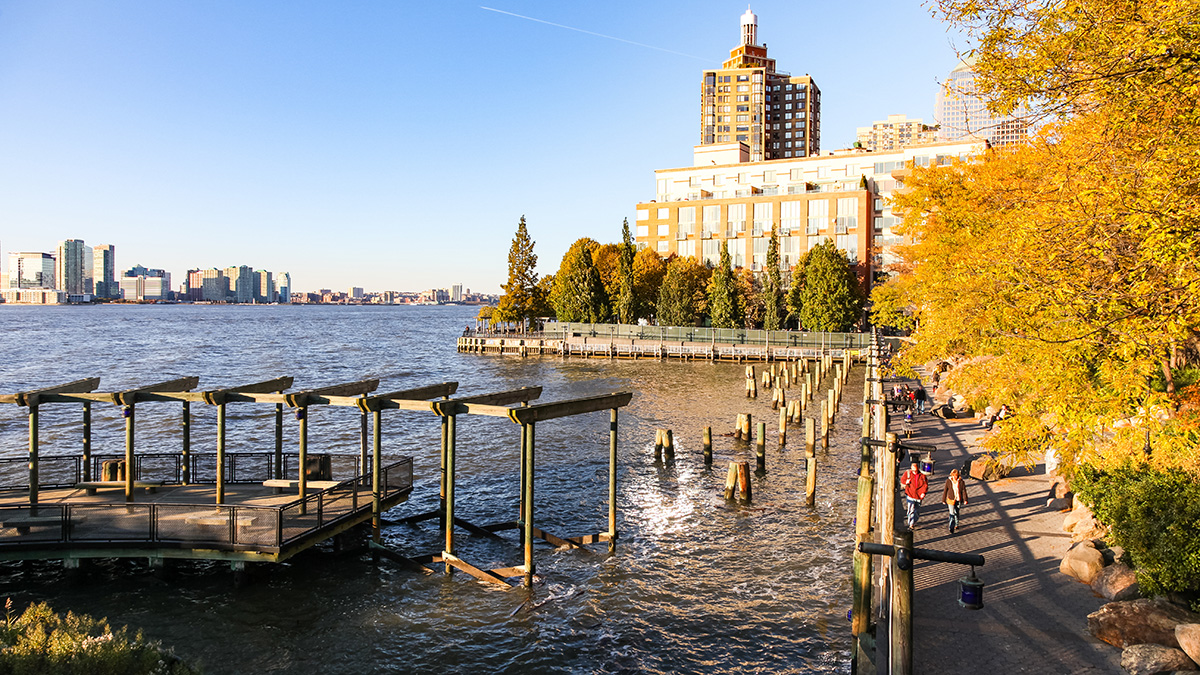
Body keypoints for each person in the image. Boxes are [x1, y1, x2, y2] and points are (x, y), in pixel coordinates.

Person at [900, 460, 928, 530]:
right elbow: (902, 480)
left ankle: (914, 520)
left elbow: (925, 485)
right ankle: (911, 523)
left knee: (917, 510)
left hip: (918, 495)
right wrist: (906, 482)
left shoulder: (922, 475)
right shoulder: (908, 473)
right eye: (913, 470)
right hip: (910, 494)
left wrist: (923, 492)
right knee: (911, 509)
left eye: (915, 470)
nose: (914, 472)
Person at [942, 469, 969, 533]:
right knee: (952, 513)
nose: (954, 477)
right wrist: (943, 499)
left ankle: (956, 524)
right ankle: (951, 527)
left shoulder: (961, 482)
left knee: (956, 512)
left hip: (958, 499)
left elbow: (963, 491)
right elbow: (945, 490)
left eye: (956, 475)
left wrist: (965, 499)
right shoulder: (948, 481)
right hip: (951, 499)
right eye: (953, 475)